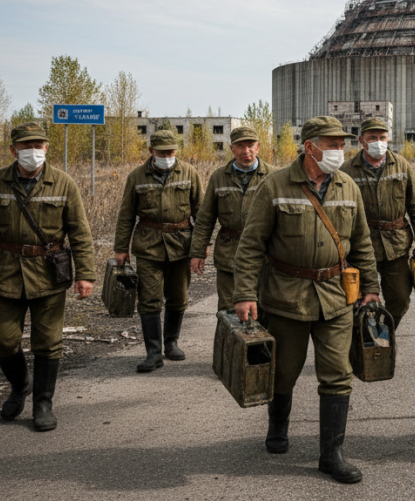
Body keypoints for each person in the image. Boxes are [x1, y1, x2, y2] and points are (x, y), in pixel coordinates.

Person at [232, 116, 380, 484]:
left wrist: (372, 288)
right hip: (286, 297)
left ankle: (332, 454)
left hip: (336, 297)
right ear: (309, 146)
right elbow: (251, 245)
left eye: (341, 144)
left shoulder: (348, 186)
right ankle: (278, 425)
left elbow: (361, 243)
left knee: (338, 376)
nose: (338, 151)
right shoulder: (275, 184)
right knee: (283, 373)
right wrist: (245, 294)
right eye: (330, 144)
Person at [0, 122, 95, 431]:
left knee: (48, 342)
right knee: (1, 339)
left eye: (38, 145)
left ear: (47, 147)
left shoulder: (63, 183)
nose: (32, 151)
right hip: (5, 273)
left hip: (48, 275)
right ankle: (20, 385)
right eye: (25, 146)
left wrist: (85, 274)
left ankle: (43, 402)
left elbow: (81, 234)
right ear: (13, 149)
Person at [113, 129, 203, 373]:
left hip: (181, 245)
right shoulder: (136, 176)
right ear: (151, 151)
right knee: (149, 299)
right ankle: (153, 352)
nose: (167, 156)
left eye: (171, 152)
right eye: (162, 152)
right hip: (148, 246)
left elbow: (200, 212)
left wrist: (200, 249)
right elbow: (126, 215)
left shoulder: (189, 173)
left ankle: (171, 343)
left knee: (178, 296)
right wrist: (120, 248)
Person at [339, 118, 415, 328]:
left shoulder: (401, 164)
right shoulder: (347, 170)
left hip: (395, 245)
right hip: (360, 246)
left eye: (382, 137)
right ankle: (361, 342)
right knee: (357, 300)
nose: (378, 142)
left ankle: (384, 332)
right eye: (372, 138)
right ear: (362, 140)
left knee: (399, 300)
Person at [190, 126, 273, 311]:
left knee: (265, 309)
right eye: (240, 146)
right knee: (229, 310)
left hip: (264, 256)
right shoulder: (219, 177)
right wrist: (197, 252)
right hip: (229, 256)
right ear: (232, 149)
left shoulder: (273, 177)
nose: (246, 151)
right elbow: (205, 218)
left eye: (250, 145)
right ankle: (230, 341)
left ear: (258, 147)